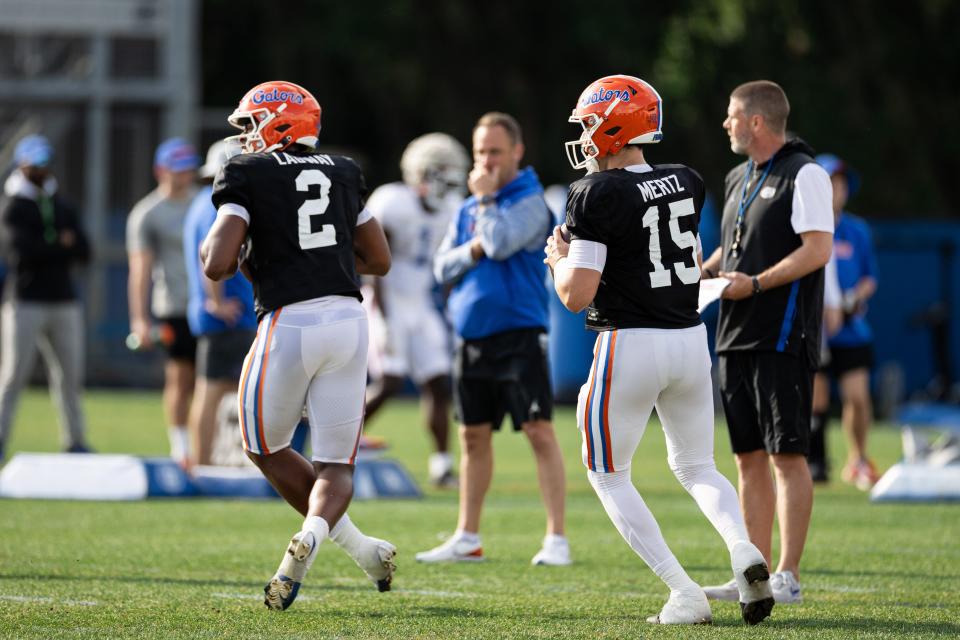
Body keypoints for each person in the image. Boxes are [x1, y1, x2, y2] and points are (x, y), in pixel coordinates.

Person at [546, 74, 774, 626]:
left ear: (615, 125)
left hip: (629, 343)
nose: (584, 134)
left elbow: (577, 297)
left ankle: (684, 591)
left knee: (607, 473)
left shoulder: (595, 193)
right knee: (698, 466)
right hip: (689, 340)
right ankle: (744, 550)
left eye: (590, 122)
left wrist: (557, 260)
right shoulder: (685, 180)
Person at [201, 80, 396, 611]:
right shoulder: (343, 169)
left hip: (289, 323)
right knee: (336, 463)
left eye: (249, 125)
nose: (244, 137)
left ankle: (332, 538)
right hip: (349, 321)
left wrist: (237, 249)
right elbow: (378, 259)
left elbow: (218, 264)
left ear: (278, 121)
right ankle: (347, 544)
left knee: (263, 445)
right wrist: (319, 260)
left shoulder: (246, 172)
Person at [415, 112, 570, 566]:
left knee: (539, 432)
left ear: (516, 152)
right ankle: (468, 536)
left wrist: (483, 211)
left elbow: (500, 242)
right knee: (472, 438)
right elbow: (442, 267)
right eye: (480, 151)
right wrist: (475, 244)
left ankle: (556, 538)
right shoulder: (469, 208)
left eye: (495, 152)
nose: (486, 161)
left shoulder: (529, 202)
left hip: (520, 334)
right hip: (472, 336)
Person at [700, 80, 834, 605]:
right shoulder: (738, 176)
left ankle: (788, 574)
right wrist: (705, 270)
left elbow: (817, 249)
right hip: (733, 333)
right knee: (747, 458)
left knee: (787, 456)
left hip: (782, 333)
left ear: (757, 121)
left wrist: (755, 284)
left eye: (732, 115)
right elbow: (733, 246)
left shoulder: (807, 172)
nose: (726, 123)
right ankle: (752, 577)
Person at [363, 133, 468, 487]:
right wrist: (384, 315)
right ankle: (342, 444)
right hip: (387, 298)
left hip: (422, 302)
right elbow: (377, 263)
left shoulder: (453, 209)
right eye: (441, 170)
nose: (449, 178)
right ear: (421, 174)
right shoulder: (393, 201)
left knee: (439, 382)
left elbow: (449, 264)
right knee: (390, 380)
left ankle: (441, 465)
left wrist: (449, 306)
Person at [0, 134, 92, 461]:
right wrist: (59, 245)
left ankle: (75, 440)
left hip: (63, 300)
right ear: (22, 165)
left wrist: (55, 246)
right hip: (24, 301)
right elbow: (21, 253)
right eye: (34, 164)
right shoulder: (13, 206)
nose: (41, 169)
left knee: (69, 377)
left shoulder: (62, 203)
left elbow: (84, 249)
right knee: (12, 376)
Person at [183, 139, 257, 468]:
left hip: (227, 313)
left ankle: (216, 460)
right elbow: (209, 255)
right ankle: (202, 463)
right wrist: (217, 303)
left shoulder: (203, 202)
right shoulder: (217, 205)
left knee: (224, 391)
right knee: (212, 391)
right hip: (228, 315)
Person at [127, 138, 200, 465]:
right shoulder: (147, 214)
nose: (183, 177)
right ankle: (181, 446)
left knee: (215, 381)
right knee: (180, 379)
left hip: (208, 306)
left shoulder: (203, 204)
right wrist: (139, 319)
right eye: (177, 170)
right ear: (160, 171)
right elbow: (140, 270)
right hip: (174, 306)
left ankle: (207, 445)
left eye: (187, 170)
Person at [815, 154, 880, 490]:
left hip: (851, 329)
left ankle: (858, 458)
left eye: (839, 184)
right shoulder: (807, 226)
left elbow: (871, 277)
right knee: (816, 399)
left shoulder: (856, 230)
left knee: (857, 397)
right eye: (828, 183)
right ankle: (817, 461)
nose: (835, 190)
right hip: (816, 330)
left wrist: (851, 299)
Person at [808, 252, 844, 483]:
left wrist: (833, 306)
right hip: (778, 321)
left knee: (817, 395)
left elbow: (826, 275)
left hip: (810, 322)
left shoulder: (821, 235)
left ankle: (817, 459)